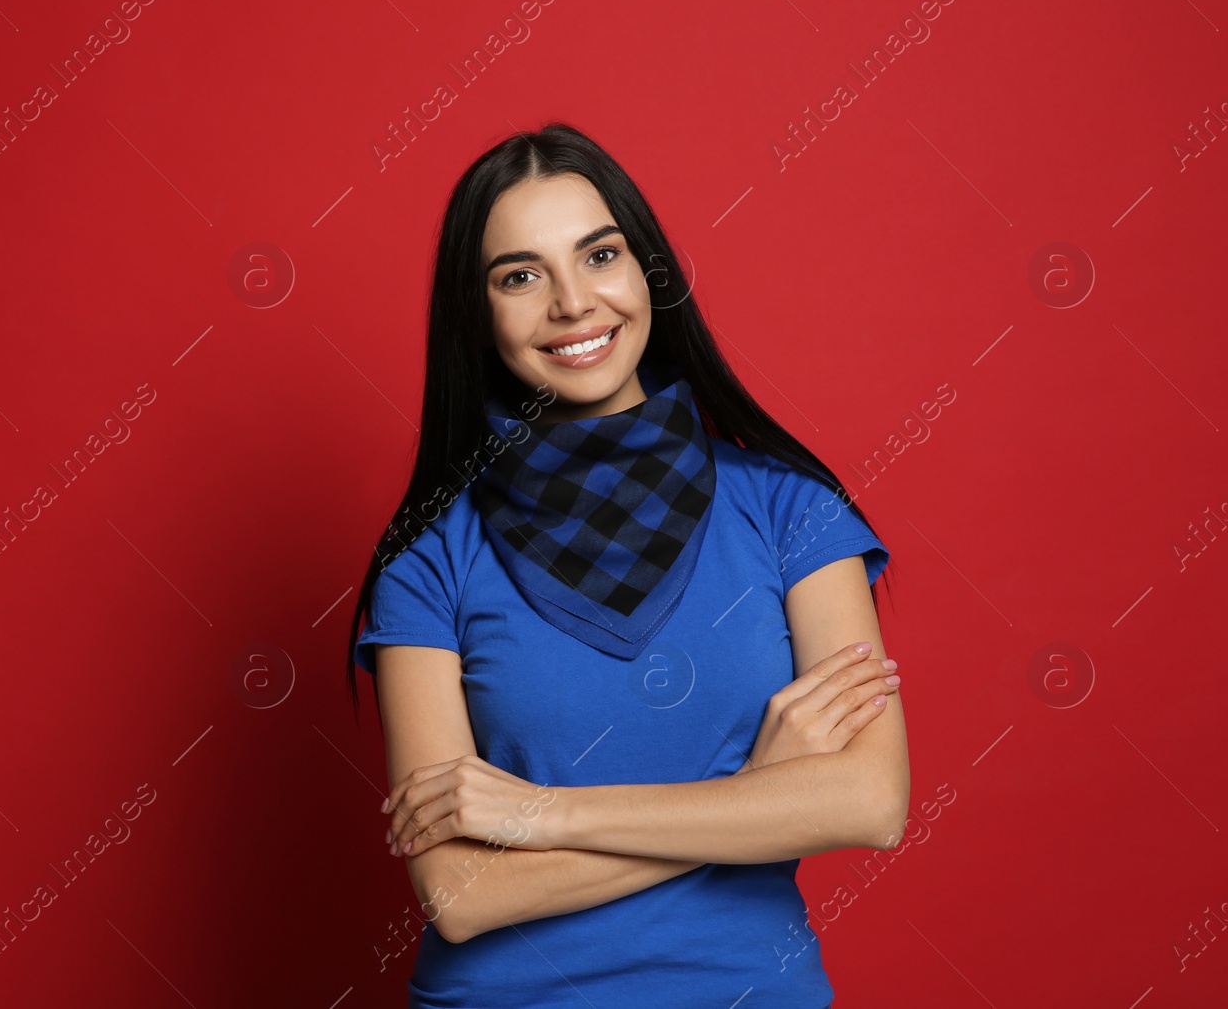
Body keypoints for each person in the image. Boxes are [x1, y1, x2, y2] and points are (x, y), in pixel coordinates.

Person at [345, 122, 907, 1008]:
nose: (573, 302)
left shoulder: (793, 512)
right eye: (520, 275)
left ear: (646, 272)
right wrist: (758, 796)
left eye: (599, 255)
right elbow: (459, 896)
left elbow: (870, 802)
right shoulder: (427, 559)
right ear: (477, 314)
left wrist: (542, 814)